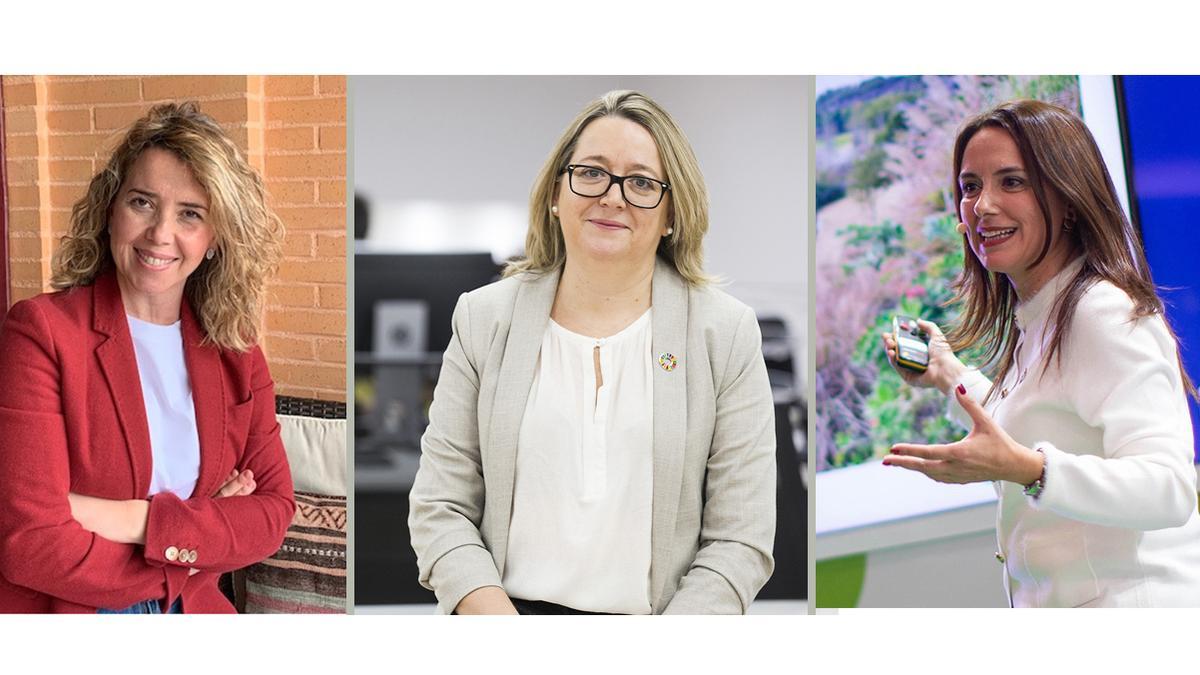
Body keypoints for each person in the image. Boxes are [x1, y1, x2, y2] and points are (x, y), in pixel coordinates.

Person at [408, 90, 776, 615]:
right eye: (592, 173)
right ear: (558, 192)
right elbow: (440, 505)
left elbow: (741, 537)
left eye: (643, 183)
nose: (612, 197)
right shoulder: (484, 318)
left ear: (673, 212)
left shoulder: (725, 332)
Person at [881, 99, 1200, 607]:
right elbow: (1032, 430)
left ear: (1068, 197)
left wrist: (1031, 470)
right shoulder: (1040, 314)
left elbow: (1169, 488)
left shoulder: (1100, 311)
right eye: (969, 187)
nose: (982, 205)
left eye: (1012, 181)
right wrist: (947, 373)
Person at [0, 102, 295, 613]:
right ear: (111, 209)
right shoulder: (41, 333)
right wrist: (194, 546)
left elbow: (272, 513)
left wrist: (132, 520)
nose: (160, 233)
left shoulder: (236, 350)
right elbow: (30, 542)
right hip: (74, 609)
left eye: (190, 214)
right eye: (142, 202)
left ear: (215, 238)